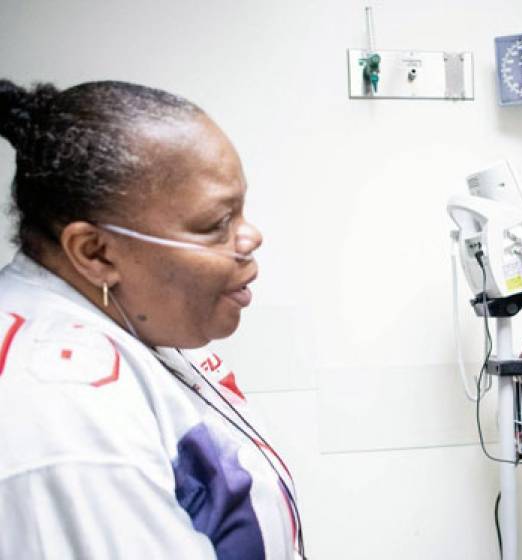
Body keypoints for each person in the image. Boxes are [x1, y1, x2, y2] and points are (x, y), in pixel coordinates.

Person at [0, 80, 305, 559]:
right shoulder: (66, 417)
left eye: (240, 209)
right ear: (96, 252)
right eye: (215, 224)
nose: (250, 237)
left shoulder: (126, 316)